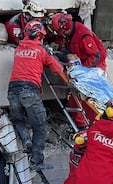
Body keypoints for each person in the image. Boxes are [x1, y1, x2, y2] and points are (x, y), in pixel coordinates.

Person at [7, 20, 69, 171]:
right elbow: (57, 69)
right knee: (40, 127)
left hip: (12, 90)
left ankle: (26, 139)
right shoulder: (41, 50)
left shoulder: (18, 48)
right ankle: (37, 162)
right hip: (30, 91)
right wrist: (68, 83)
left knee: (18, 119)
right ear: (39, 35)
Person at [48, 12, 108, 129]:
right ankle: (80, 122)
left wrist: (83, 70)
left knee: (84, 96)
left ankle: (84, 125)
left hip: (94, 67)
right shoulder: (69, 33)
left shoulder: (82, 34)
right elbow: (65, 47)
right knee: (74, 96)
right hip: (82, 65)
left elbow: (95, 56)